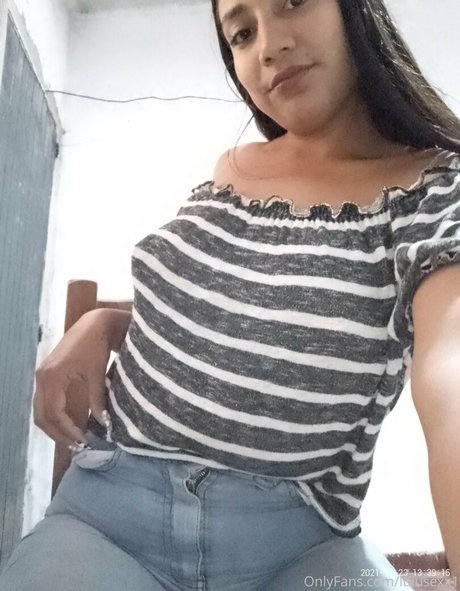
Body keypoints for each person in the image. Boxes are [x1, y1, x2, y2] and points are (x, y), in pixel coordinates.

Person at [1, 0, 460, 589]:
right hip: (111, 509)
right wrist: (104, 325)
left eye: (292, 3)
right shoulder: (232, 169)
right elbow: (215, 312)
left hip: (298, 544)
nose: (268, 46)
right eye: (241, 33)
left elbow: (450, 375)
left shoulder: (435, 191)